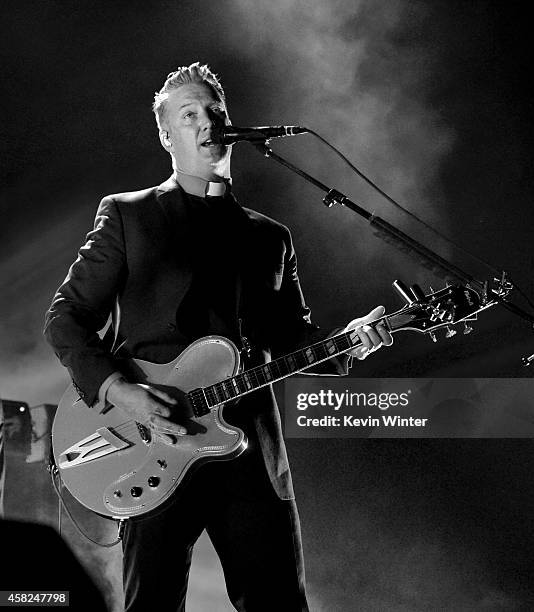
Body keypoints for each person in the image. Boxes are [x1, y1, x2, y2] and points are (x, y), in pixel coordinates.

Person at [44, 62, 392, 612]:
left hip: (250, 450)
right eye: (188, 115)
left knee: (279, 603)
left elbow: (293, 340)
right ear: (166, 136)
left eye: (214, 110)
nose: (206, 122)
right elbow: (65, 319)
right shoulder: (129, 215)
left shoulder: (269, 237)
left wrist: (349, 342)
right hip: (150, 440)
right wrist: (118, 390)